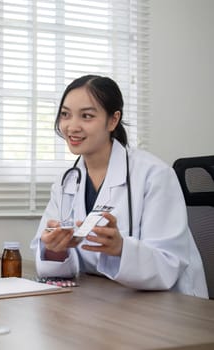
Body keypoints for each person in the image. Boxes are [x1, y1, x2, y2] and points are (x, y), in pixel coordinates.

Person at [30, 75, 208, 298]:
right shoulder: (67, 181)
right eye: (65, 115)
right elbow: (54, 263)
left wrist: (122, 249)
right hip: (105, 300)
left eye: (86, 116)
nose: (72, 126)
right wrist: (56, 249)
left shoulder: (154, 175)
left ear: (113, 121)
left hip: (169, 305)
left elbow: (169, 264)